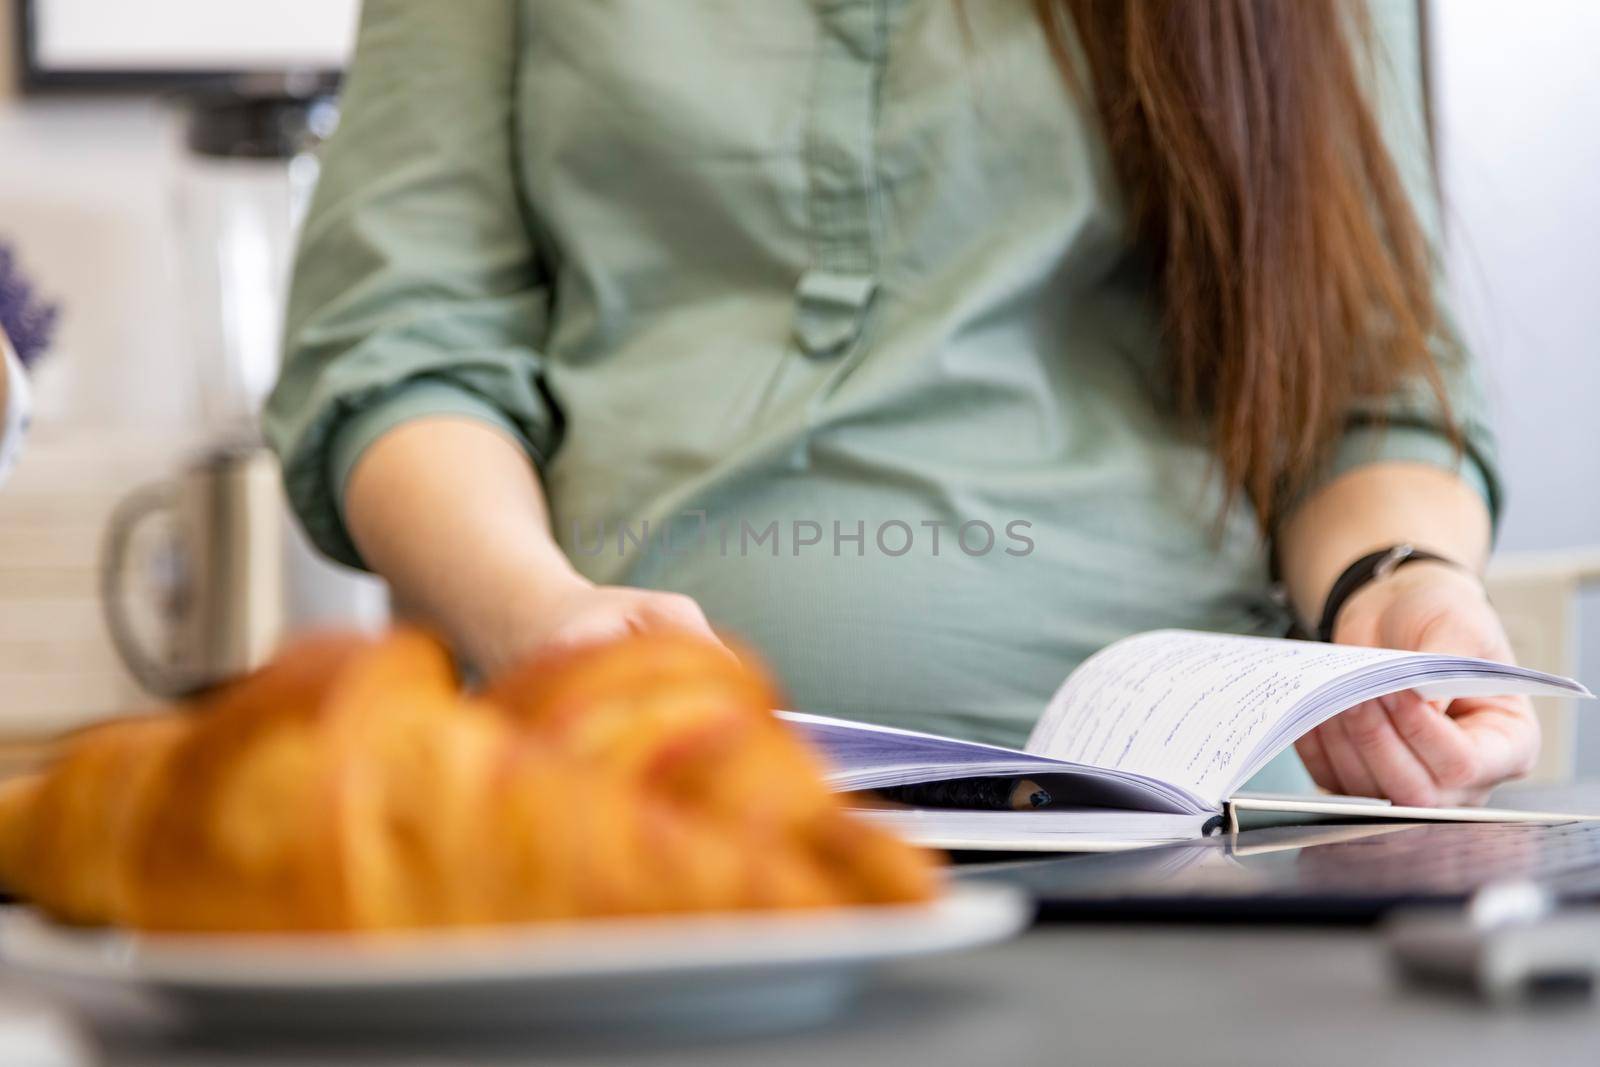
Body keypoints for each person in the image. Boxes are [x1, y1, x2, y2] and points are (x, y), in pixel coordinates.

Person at [267, 1, 1533, 808]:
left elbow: (1362, 389)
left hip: (1207, 843)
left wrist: (1396, 577)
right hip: (630, 815)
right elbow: (402, 345)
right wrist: (530, 611)